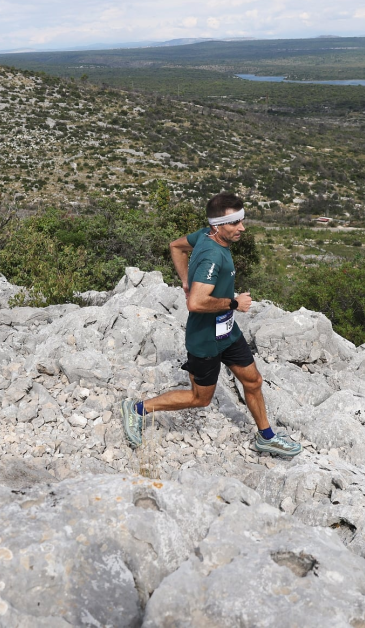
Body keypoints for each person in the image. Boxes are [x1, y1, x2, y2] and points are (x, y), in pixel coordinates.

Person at [121, 193, 302, 457]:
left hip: (227, 332)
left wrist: (185, 280)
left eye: (241, 220)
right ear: (219, 225)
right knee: (200, 398)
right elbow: (195, 304)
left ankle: (267, 437)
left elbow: (176, 246)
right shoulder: (212, 257)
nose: (242, 228)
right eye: (235, 223)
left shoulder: (205, 235)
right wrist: (233, 303)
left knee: (253, 381)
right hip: (205, 339)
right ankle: (137, 409)